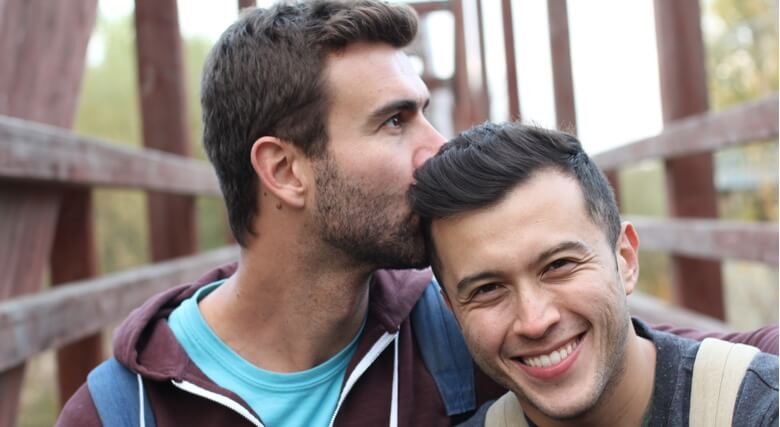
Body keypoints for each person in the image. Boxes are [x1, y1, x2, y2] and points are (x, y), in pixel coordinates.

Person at [56, 1, 777, 426]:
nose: (437, 149)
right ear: (283, 170)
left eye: (426, 112)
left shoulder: (465, 329)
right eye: (397, 122)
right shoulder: (126, 410)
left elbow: (669, 359)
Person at [409, 122, 779, 426]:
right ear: (453, 312)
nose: (535, 321)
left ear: (625, 258)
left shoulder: (758, 409)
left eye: (559, 266)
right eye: (489, 289)